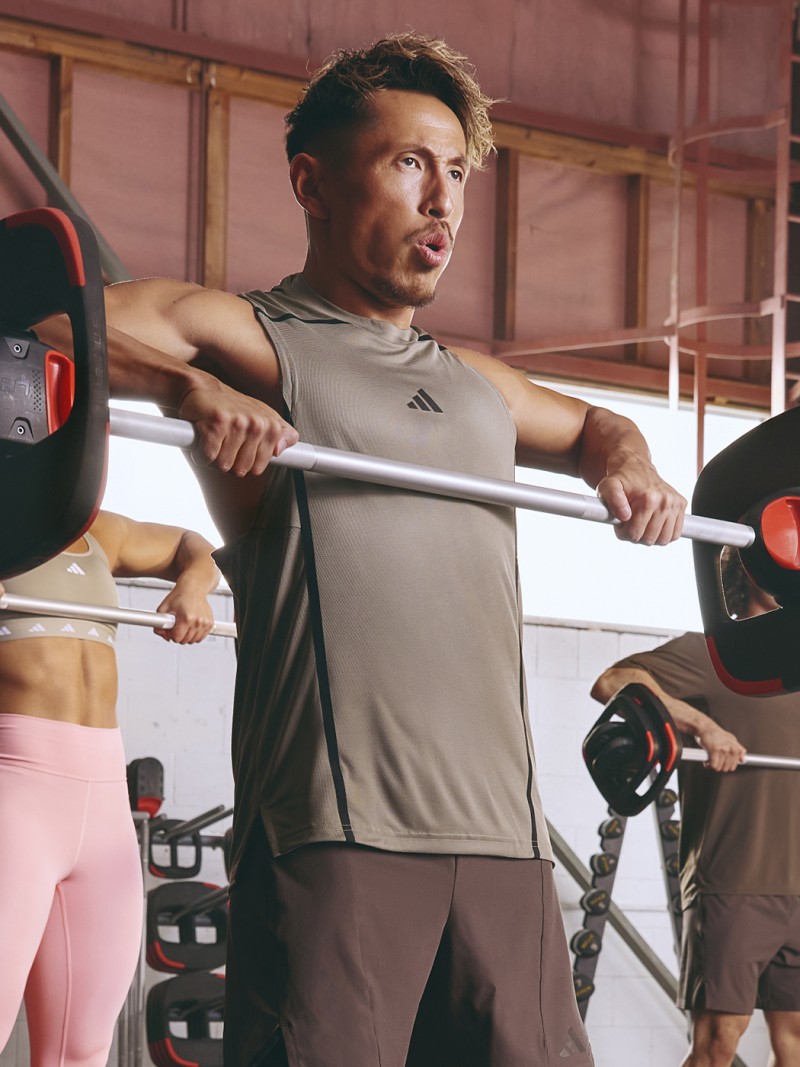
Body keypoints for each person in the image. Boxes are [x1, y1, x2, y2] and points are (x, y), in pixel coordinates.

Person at [37, 33, 687, 1067]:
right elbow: (45, 325)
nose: (442, 200)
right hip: (335, 831)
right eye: (408, 162)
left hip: (506, 839)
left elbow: (596, 426)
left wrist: (631, 462)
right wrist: (187, 388)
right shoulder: (251, 334)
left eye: (457, 172)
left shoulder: (478, 383)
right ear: (314, 184)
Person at [0, 509, 220, 1067]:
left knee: (81, 1051)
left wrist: (194, 585)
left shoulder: (96, 530)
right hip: (15, 793)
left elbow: (192, 544)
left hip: (104, 809)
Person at [591, 552, 800, 1067]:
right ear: (749, 570)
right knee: (717, 1045)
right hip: (732, 881)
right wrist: (701, 726)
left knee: (795, 1041)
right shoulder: (712, 654)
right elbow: (612, 682)